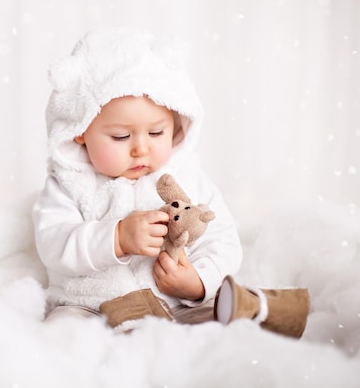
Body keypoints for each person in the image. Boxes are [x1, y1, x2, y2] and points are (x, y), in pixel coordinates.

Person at [32, 27, 242, 326]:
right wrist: (116, 238)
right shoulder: (70, 184)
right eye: (120, 136)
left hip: (174, 307)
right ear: (79, 132)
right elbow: (54, 244)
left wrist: (197, 283)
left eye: (157, 132)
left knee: (228, 319)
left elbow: (223, 241)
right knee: (62, 332)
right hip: (91, 308)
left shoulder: (187, 177)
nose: (141, 149)